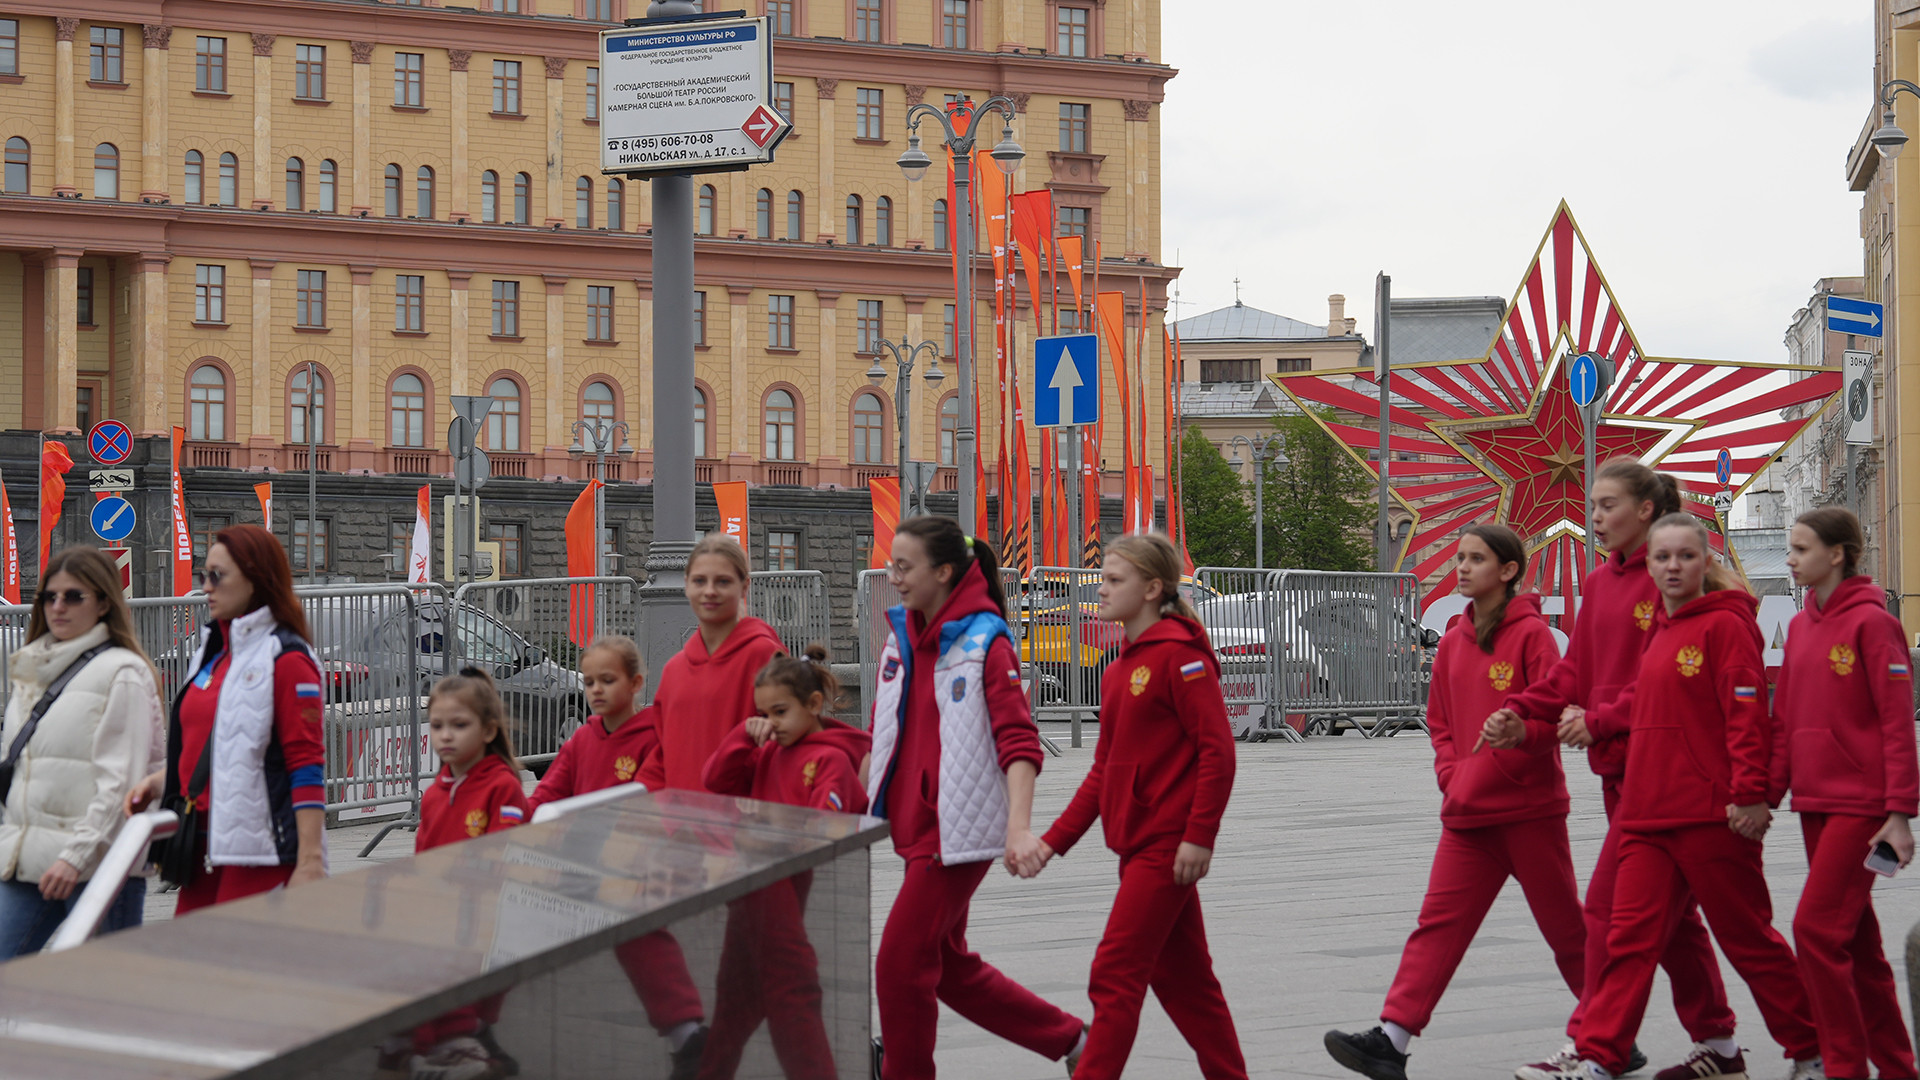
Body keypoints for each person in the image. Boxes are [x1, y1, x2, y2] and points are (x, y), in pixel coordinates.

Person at [1529, 513, 1820, 1080]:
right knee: (1626, 939)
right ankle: (1600, 1057)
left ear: (1706, 562)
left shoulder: (1726, 625)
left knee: (1749, 942)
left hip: (1712, 815)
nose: (1671, 567)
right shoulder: (1661, 625)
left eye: (1685, 556)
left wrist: (1750, 795)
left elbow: (1745, 717)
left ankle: (1812, 1051)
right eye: (1662, 558)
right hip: (1647, 812)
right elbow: (1643, 701)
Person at [1494, 460, 1734, 1080]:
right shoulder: (1599, 586)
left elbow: (1664, 688)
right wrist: (1522, 709)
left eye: (1607, 506)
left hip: (1665, 775)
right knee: (1675, 922)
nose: (1595, 517)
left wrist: (1598, 719)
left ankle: (1594, 1048)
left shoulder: (1671, 579)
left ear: (1647, 511)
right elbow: (1576, 672)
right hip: (1617, 772)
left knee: (1607, 911)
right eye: (1593, 506)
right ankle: (1723, 1049)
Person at [1326, 525, 1583, 1080]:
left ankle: (1608, 1032)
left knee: (1566, 931)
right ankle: (1391, 1040)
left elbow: (1553, 716)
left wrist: (1522, 738)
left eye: (1476, 559)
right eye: (1460, 557)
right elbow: (1439, 720)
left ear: (1508, 570)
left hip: (1529, 810)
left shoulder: (1533, 636)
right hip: (1468, 812)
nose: (1462, 568)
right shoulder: (1452, 640)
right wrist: (1450, 772)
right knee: (1437, 925)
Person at [868, 516, 1085, 1079]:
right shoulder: (901, 633)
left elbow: (1019, 742)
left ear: (942, 572)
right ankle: (1075, 1040)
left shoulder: (986, 640)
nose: (893, 577)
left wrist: (1018, 829)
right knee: (946, 966)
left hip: (954, 830)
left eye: (904, 566)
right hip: (915, 826)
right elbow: (889, 732)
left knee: (898, 966)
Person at [1024, 532, 1245, 1080]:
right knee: (1187, 984)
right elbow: (1104, 771)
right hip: (1137, 844)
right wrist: (1050, 843)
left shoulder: (1180, 658)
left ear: (1152, 588)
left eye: (1114, 580)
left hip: (1167, 845)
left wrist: (1199, 835)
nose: (1100, 590)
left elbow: (1218, 753)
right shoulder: (1121, 666)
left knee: (1114, 973)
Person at [1771, 508, 1918, 1080]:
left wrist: (1900, 813)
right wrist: (1766, 795)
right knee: (1856, 946)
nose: (1790, 558)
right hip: (1814, 803)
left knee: (1814, 931)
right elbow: (1784, 722)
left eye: (1801, 548)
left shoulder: (1873, 623)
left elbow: (1897, 722)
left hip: (1862, 805)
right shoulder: (1803, 625)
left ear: (1836, 554)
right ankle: (1898, 1068)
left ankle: (1842, 1067)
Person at [529, 635, 708, 1080]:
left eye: (608, 680)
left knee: (642, 939)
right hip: (581, 865)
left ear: (636, 683)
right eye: (589, 681)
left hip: (632, 865)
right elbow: (550, 791)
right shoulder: (581, 740)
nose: (596, 690)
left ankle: (686, 1031)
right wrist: (521, 820)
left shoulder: (651, 736)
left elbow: (650, 794)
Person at [127, 524, 327, 912]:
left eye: (217, 576)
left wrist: (310, 860)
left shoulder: (288, 659)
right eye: (204, 575)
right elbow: (217, 742)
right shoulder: (213, 652)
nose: (206, 587)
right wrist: (161, 781)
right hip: (201, 845)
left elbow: (306, 764)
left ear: (256, 578)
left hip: (262, 854)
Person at [699, 646, 871, 1080]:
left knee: (794, 1012)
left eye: (779, 711)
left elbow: (826, 821)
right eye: (763, 713)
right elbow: (714, 781)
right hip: (748, 903)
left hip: (783, 910)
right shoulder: (769, 751)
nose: (770, 723)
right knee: (729, 1018)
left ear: (813, 705)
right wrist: (742, 735)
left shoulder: (828, 759)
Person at [0, 547, 164, 957]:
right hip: (28, 860)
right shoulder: (31, 668)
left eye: (74, 596)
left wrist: (75, 857)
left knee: (106, 996)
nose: (58, 606)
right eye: (49, 597)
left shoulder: (122, 672)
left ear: (105, 602)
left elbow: (121, 786)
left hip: (98, 865)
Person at [375, 666, 530, 1080]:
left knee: (455, 977)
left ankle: (460, 1047)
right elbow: (422, 853)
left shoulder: (502, 786)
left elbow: (506, 847)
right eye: (437, 725)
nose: (445, 735)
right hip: (438, 908)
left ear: (488, 730)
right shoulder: (433, 793)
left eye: (459, 725)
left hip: (482, 909)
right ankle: (409, 1042)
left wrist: (471, 879)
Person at [638, 534, 788, 792]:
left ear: (744, 587)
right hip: (680, 824)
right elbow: (663, 753)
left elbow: (787, 745)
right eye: (699, 581)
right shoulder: (674, 670)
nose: (709, 591)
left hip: (742, 822)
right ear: (686, 585)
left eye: (723, 581)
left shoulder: (765, 655)